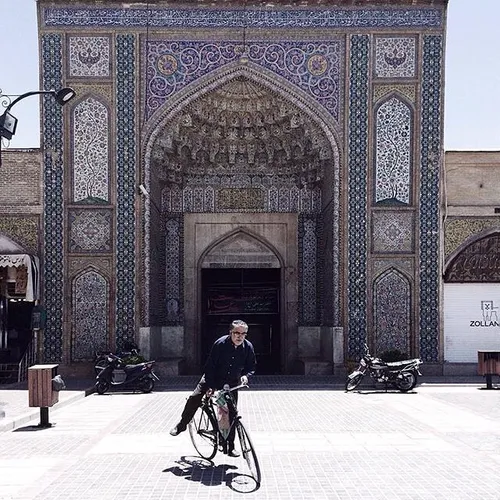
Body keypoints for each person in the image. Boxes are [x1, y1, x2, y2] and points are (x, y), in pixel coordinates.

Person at [169, 319, 256, 457]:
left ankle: (230, 446)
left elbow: (251, 366)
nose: (240, 336)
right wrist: (211, 386)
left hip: (231, 383)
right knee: (195, 397)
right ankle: (182, 424)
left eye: (243, 333)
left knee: (231, 414)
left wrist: (246, 376)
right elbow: (210, 366)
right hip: (212, 378)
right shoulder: (220, 344)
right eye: (237, 333)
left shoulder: (248, 347)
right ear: (230, 333)